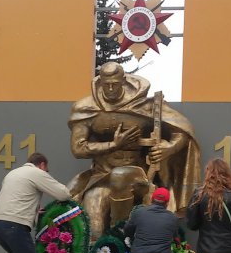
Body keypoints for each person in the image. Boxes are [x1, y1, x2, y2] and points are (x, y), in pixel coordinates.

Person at [68, 61, 201, 236]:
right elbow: (78, 148)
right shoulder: (87, 108)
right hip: (101, 176)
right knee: (94, 219)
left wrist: (169, 147)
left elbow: (182, 129)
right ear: (99, 82)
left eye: (115, 84)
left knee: (120, 175)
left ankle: (120, 233)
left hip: (137, 174)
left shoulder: (143, 104)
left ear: (123, 81)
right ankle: (102, 251)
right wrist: (114, 145)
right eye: (106, 85)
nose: (110, 89)